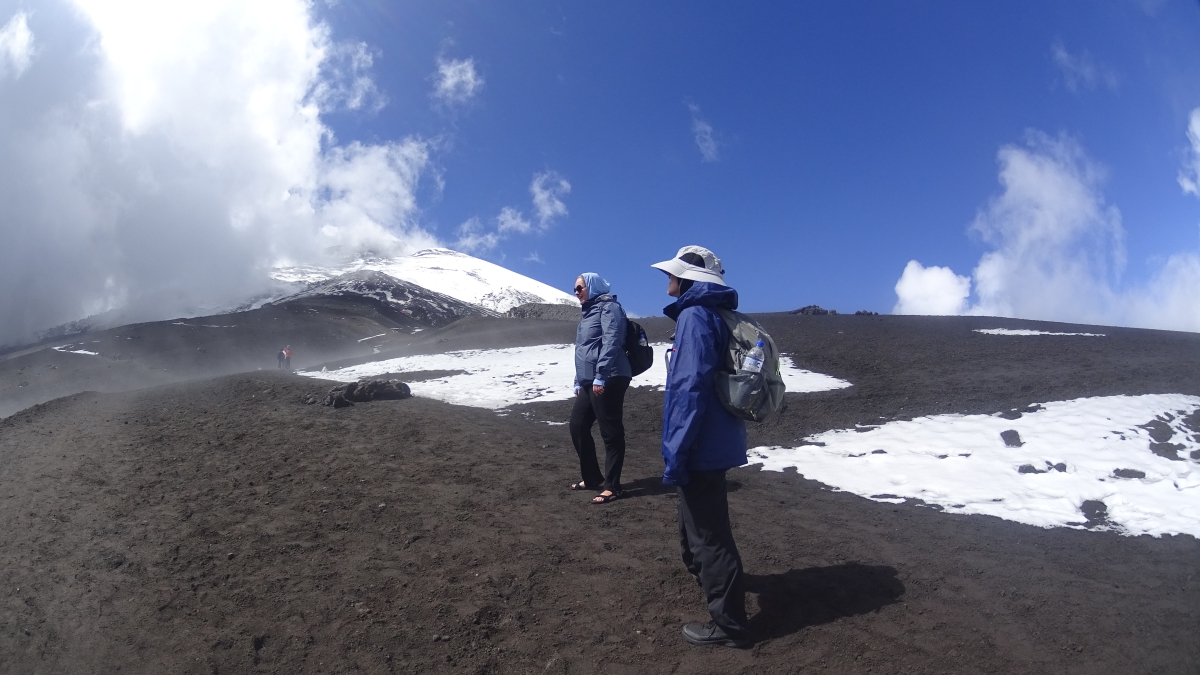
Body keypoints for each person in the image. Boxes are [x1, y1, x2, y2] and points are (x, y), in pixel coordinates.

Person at [652, 245, 753, 648]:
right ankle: (716, 586)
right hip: (714, 440)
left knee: (709, 535)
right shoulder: (713, 315)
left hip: (700, 444)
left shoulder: (695, 317)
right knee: (697, 532)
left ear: (689, 279)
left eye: (672, 275)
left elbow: (687, 388)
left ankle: (730, 625)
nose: (668, 282)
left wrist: (676, 451)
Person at [568, 273, 632, 505]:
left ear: (591, 287)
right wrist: (579, 379)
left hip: (611, 376)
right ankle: (593, 478)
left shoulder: (609, 308)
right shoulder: (588, 312)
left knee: (610, 432)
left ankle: (613, 487)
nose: (576, 292)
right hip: (590, 379)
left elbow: (612, 341)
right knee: (577, 426)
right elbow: (584, 350)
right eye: (574, 289)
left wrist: (601, 375)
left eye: (579, 288)